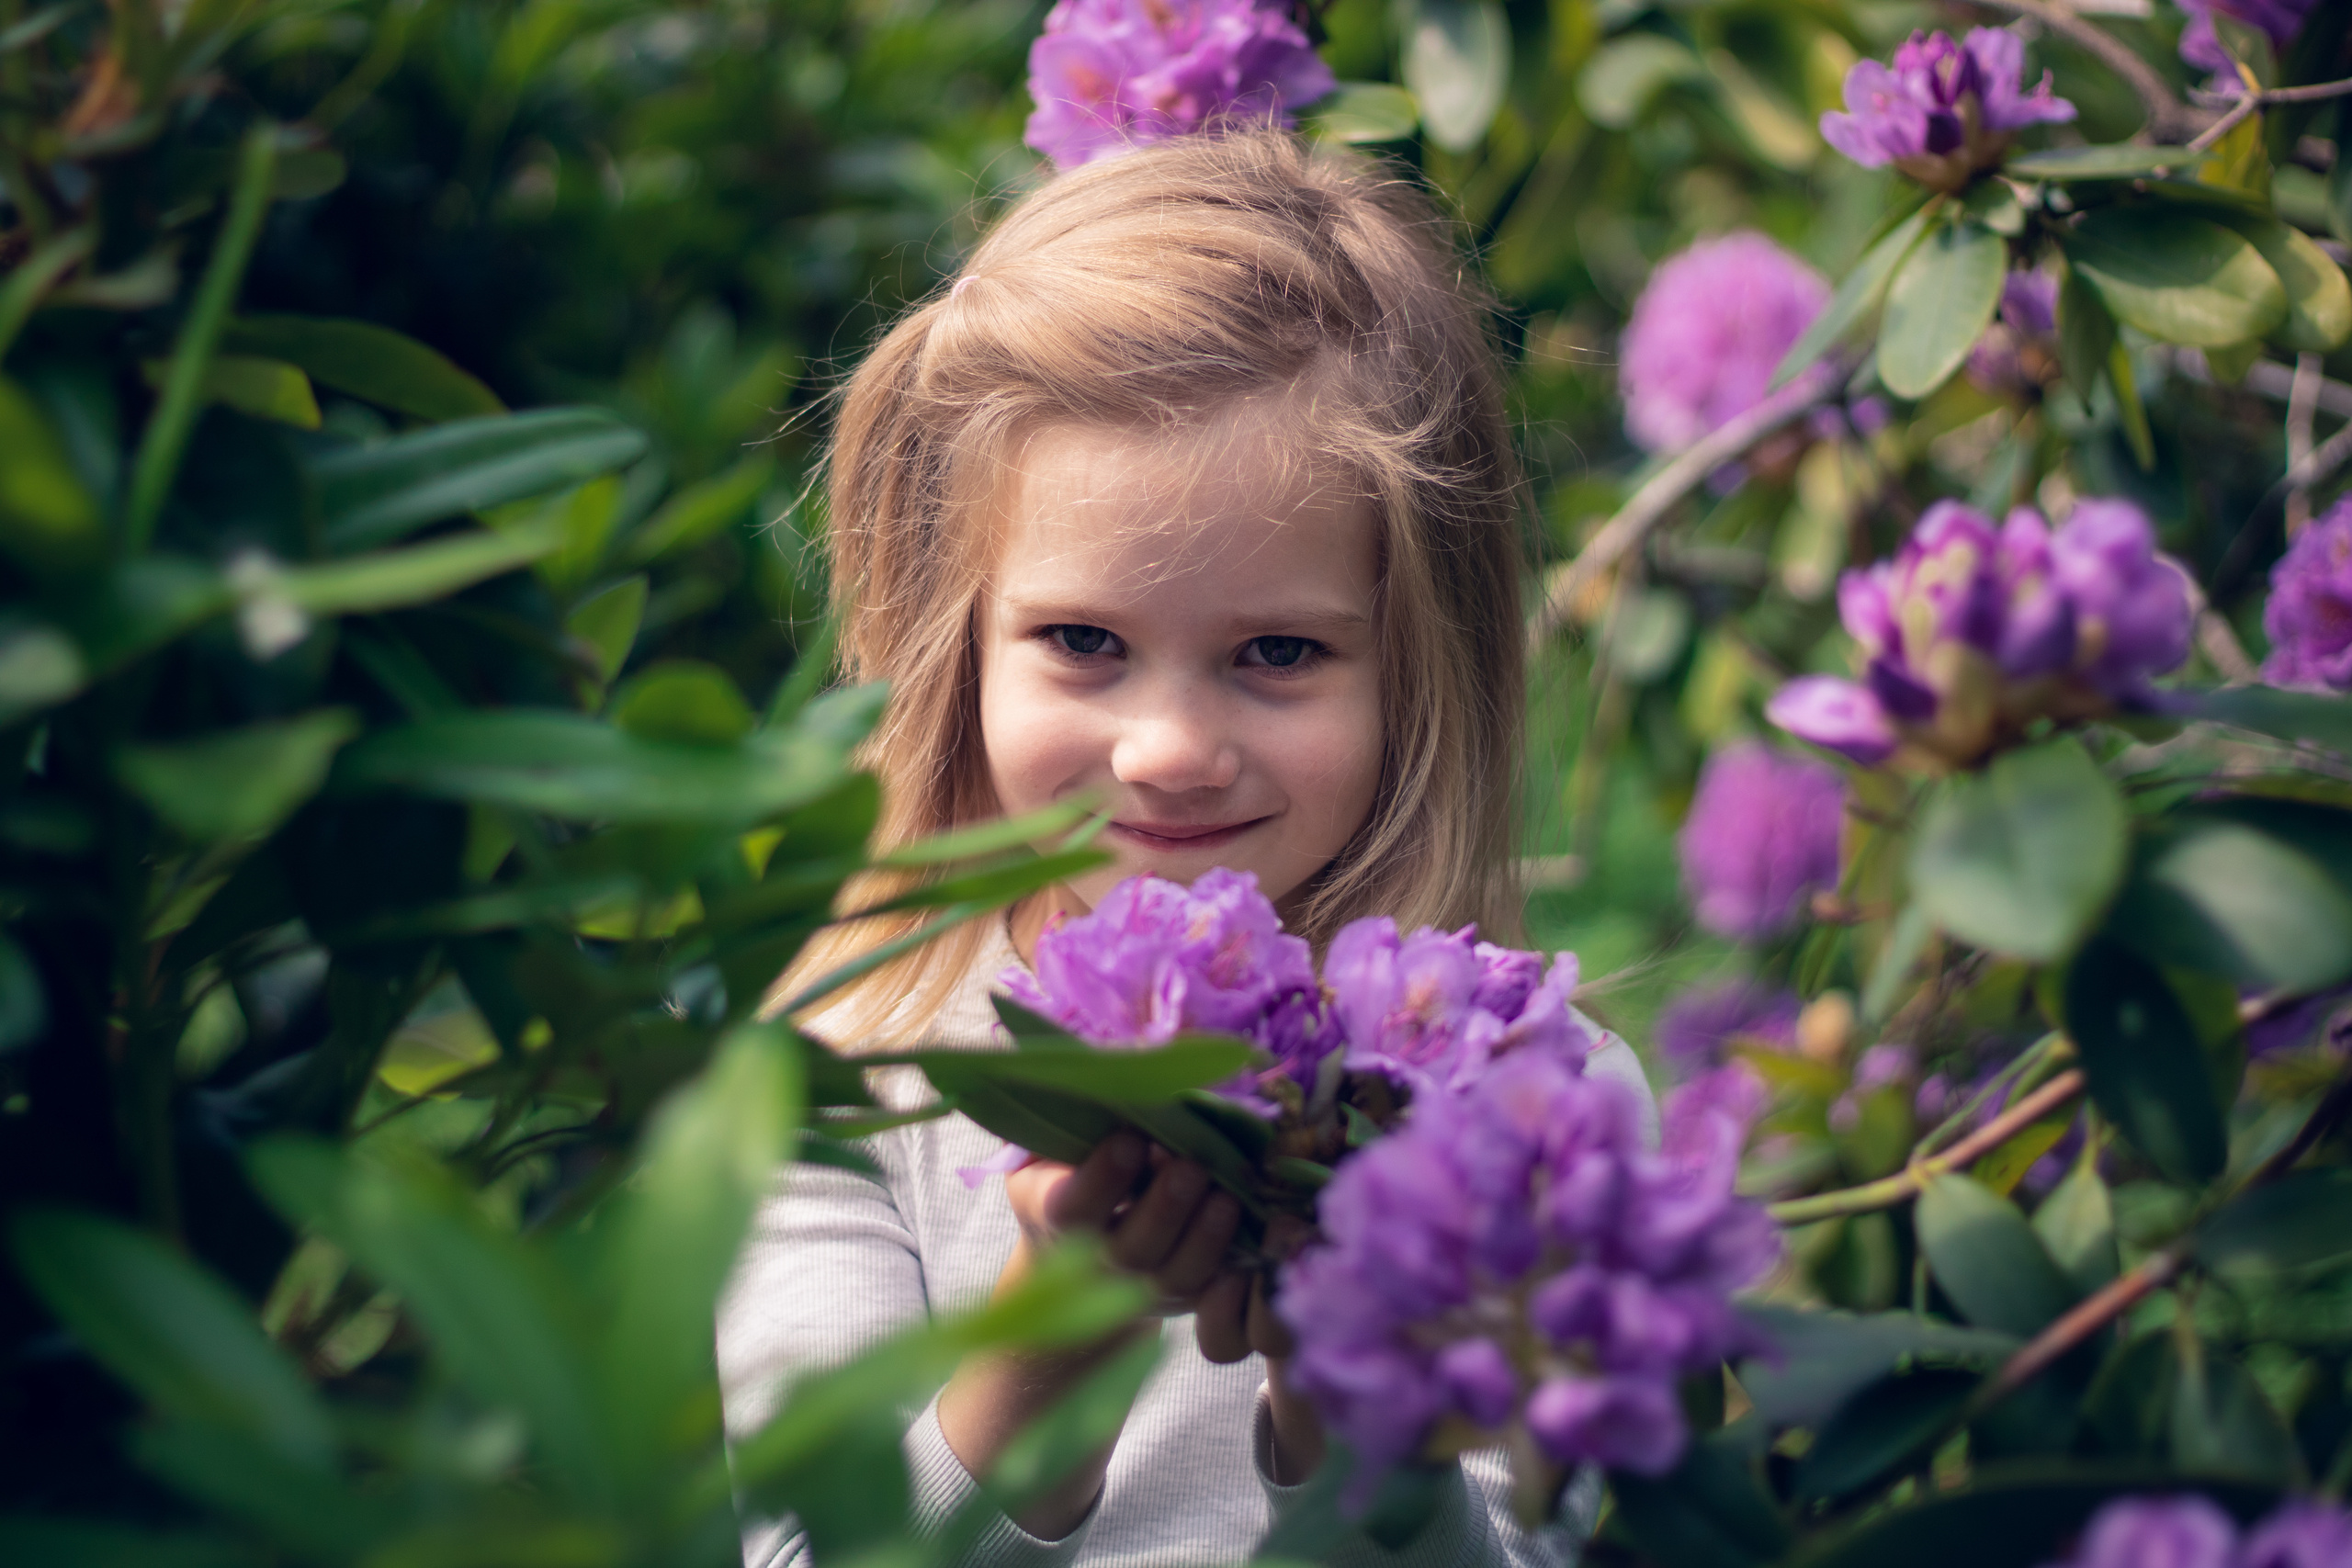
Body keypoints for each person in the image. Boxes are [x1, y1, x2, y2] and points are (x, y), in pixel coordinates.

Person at [717, 127, 1657, 1568]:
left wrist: (1351, 1396)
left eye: (1277, 652)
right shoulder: (849, 1079)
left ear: (1419, 664)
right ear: (952, 640)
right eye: (1084, 642)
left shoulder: (1544, 1099)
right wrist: (1054, 1345)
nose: (1167, 748)